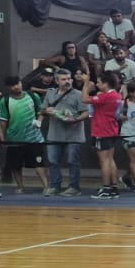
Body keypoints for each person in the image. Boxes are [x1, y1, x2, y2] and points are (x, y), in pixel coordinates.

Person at [41, 69, 89, 197]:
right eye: (63, 79)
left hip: (74, 135)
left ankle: (74, 187)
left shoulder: (79, 95)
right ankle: (55, 186)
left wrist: (76, 119)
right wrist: (47, 111)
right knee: (53, 161)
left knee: (72, 161)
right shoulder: (50, 94)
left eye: (68, 79)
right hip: (54, 134)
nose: (67, 81)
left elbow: (86, 112)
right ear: (56, 81)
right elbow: (43, 110)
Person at [0, 76, 50, 194]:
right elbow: (3, 120)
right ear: (8, 87)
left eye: (17, 83)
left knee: (39, 163)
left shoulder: (33, 96)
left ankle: (46, 187)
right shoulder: (5, 101)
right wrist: (2, 135)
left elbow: (41, 112)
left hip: (34, 138)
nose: (16, 87)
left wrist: (39, 121)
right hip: (14, 138)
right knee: (15, 165)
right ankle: (20, 186)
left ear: (21, 83)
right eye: (12, 85)